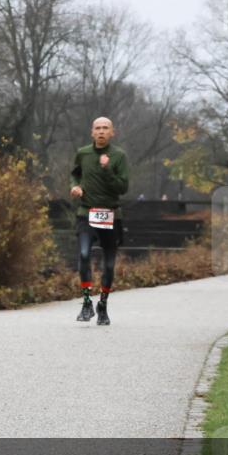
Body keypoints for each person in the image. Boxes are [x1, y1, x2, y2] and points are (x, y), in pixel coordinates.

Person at [70, 117, 129, 326]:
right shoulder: (83, 153)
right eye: (98, 128)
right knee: (84, 255)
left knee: (110, 265)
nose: (101, 131)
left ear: (113, 132)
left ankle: (102, 305)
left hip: (111, 214)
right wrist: (75, 186)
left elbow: (122, 188)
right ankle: (87, 303)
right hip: (86, 212)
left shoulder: (119, 156)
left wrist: (107, 170)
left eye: (105, 128)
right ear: (92, 132)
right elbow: (75, 174)